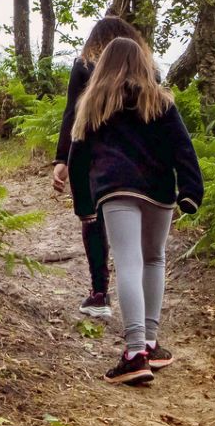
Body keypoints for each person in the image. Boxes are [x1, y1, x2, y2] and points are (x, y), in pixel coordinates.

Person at [68, 36, 204, 386]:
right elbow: (183, 148)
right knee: (153, 259)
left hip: (117, 190)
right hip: (159, 192)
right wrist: (190, 191)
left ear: (105, 66)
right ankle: (150, 342)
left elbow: (78, 158)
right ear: (144, 64)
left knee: (128, 261)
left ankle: (134, 353)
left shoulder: (95, 103)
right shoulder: (160, 102)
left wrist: (84, 204)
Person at [53, 16, 152, 317]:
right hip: (140, 163)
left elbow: (73, 114)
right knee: (135, 234)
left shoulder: (84, 66)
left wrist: (62, 160)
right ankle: (142, 308)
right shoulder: (146, 70)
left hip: (95, 158)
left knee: (91, 219)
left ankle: (99, 294)